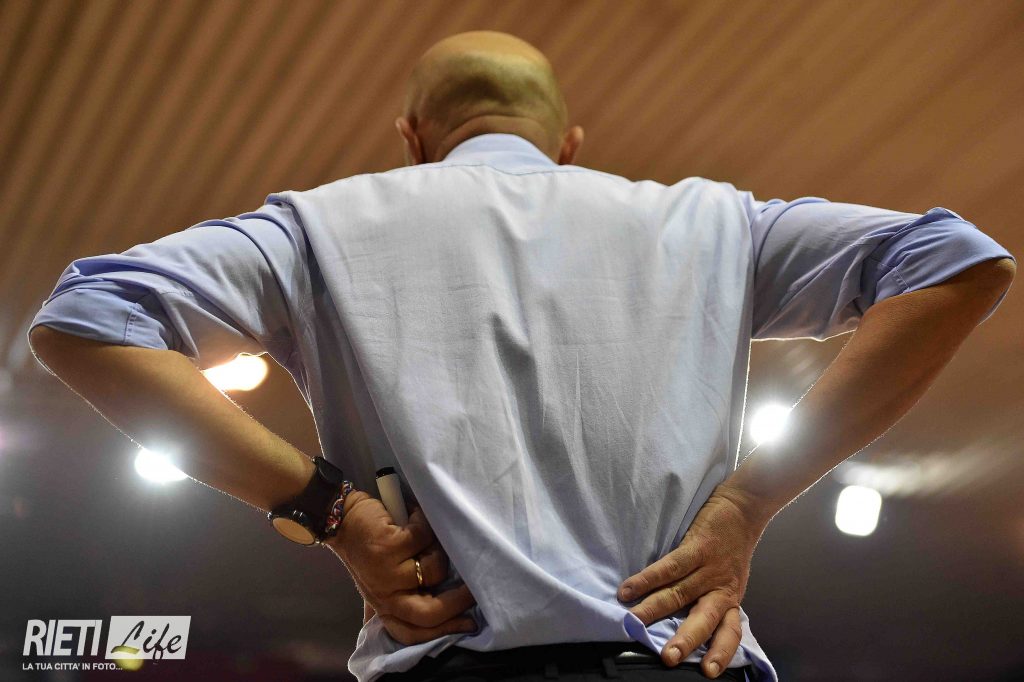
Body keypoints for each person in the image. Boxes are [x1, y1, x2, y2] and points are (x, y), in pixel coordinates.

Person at [27, 29, 1015, 682]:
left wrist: (329, 510)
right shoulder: (713, 224)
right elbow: (958, 263)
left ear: (412, 140)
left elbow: (86, 316)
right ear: (569, 146)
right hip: (681, 661)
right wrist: (749, 503)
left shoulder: (317, 230)